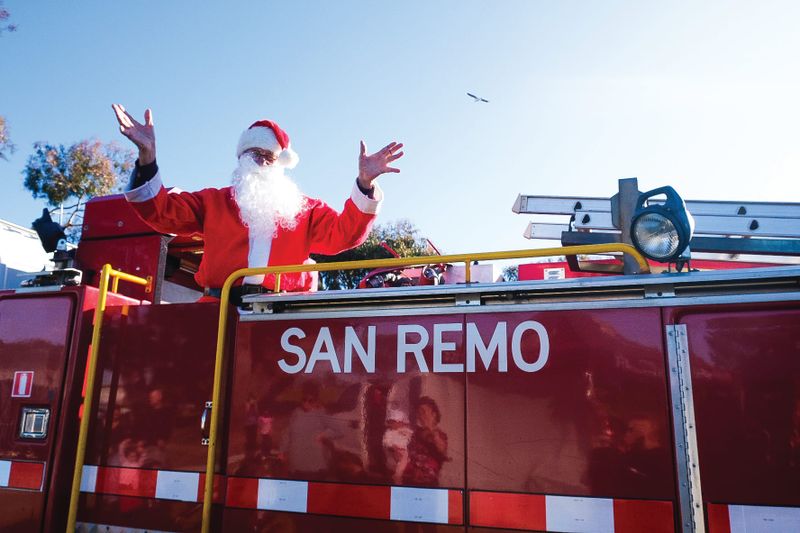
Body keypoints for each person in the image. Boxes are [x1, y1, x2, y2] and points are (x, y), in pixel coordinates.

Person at [111, 104, 404, 296]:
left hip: (284, 319)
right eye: (254, 155)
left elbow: (344, 234)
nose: (261, 162)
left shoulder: (304, 209)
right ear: (241, 159)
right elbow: (160, 211)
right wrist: (147, 159)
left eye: (268, 156)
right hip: (219, 313)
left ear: (281, 162)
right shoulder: (213, 202)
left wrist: (365, 184)